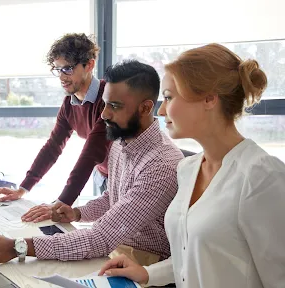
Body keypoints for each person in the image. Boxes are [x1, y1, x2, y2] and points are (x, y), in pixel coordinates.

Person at [97, 43, 285, 288]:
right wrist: (147, 273)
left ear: (209, 98)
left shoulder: (261, 176)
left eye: (168, 97)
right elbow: (191, 256)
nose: (161, 110)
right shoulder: (188, 169)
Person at [0, 60, 184, 265]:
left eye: (115, 106)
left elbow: (101, 238)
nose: (104, 114)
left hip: (146, 261)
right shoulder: (122, 141)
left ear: (145, 108)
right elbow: (114, 197)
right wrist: (77, 213)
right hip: (117, 247)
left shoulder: (162, 165)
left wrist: (16, 247)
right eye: (105, 103)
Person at [0, 33, 111, 222]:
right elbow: (52, 147)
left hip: (126, 174)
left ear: (89, 65)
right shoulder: (69, 105)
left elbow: (91, 153)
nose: (62, 77)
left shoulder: (108, 99)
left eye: (68, 69)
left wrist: (62, 203)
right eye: (58, 69)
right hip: (103, 175)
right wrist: (23, 188)